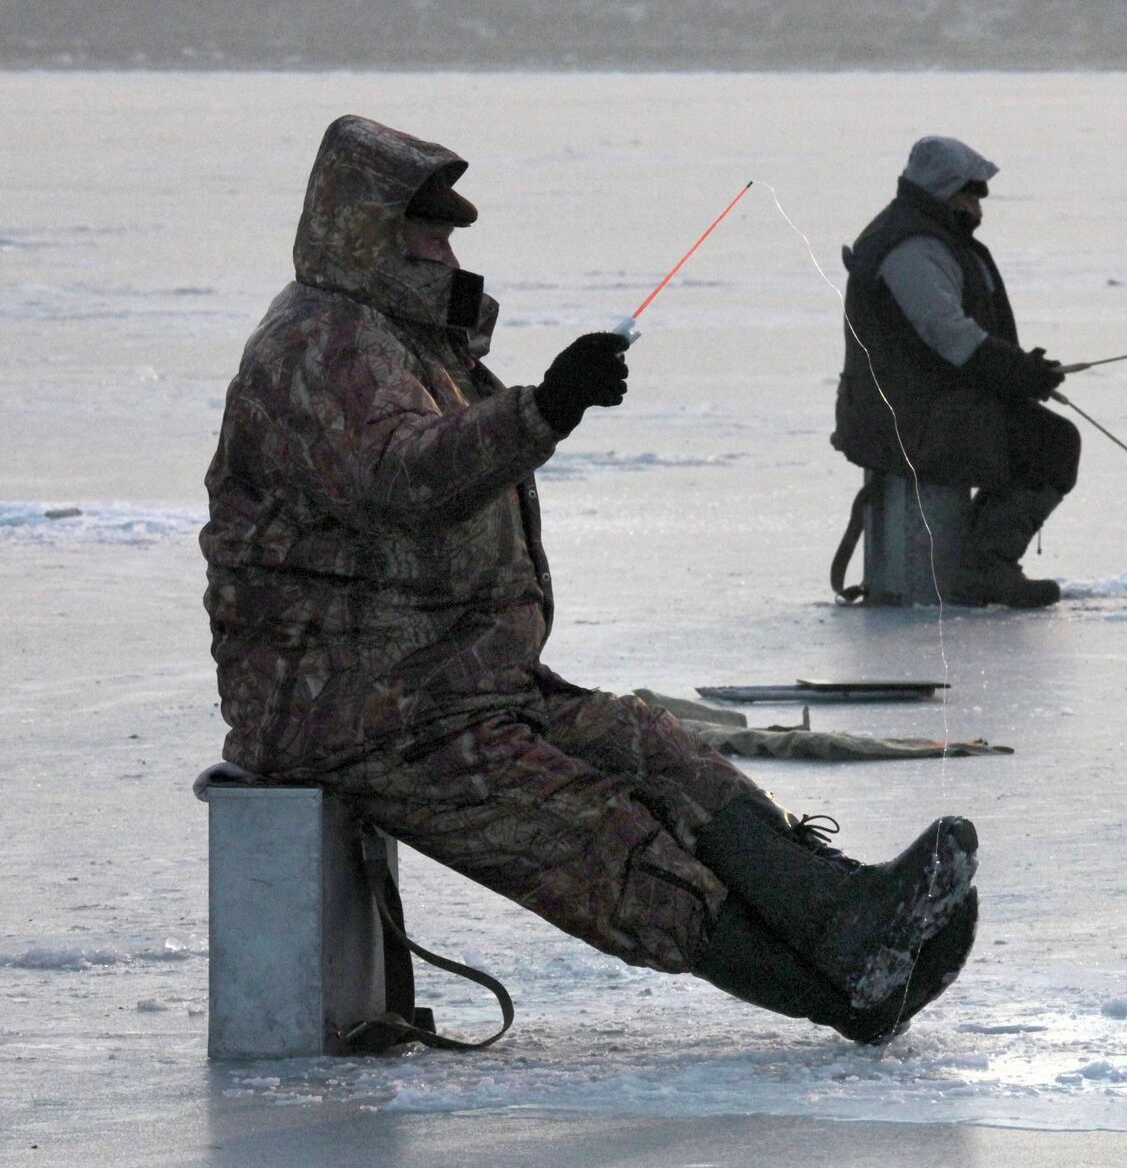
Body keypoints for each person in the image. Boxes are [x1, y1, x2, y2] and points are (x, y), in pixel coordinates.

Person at [201, 115, 978, 1044]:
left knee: (654, 750)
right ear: (367, 232)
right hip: (354, 712)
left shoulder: (401, 337)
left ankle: (847, 919)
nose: (446, 253)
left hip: (447, 685)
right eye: (430, 234)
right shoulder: (320, 346)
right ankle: (843, 987)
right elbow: (402, 476)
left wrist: (539, 405)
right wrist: (547, 405)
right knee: (594, 840)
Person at [834, 136, 1080, 609]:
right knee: (1052, 444)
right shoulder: (914, 247)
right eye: (972, 195)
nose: (979, 208)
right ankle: (984, 568)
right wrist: (1018, 372)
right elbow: (949, 336)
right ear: (949, 192)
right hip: (909, 419)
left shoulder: (919, 235)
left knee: (1036, 435)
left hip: (912, 407)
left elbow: (954, 341)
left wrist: (1021, 372)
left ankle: (982, 562)